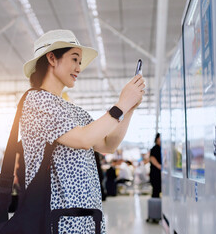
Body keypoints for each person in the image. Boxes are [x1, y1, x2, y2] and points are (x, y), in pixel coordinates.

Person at [20, 29, 145, 233]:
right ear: (52, 58)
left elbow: (107, 144)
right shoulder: (36, 100)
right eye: (75, 59)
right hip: (55, 222)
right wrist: (121, 104)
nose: (79, 67)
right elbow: (83, 139)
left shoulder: (73, 110)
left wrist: (128, 109)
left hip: (85, 220)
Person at [149, 133, 162, 198]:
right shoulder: (154, 149)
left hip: (160, 173)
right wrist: (159, 166)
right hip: (155, 173)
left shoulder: (162, 148)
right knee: (156, 191)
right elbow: (152, 158)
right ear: (157, 139)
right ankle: (155, 206)